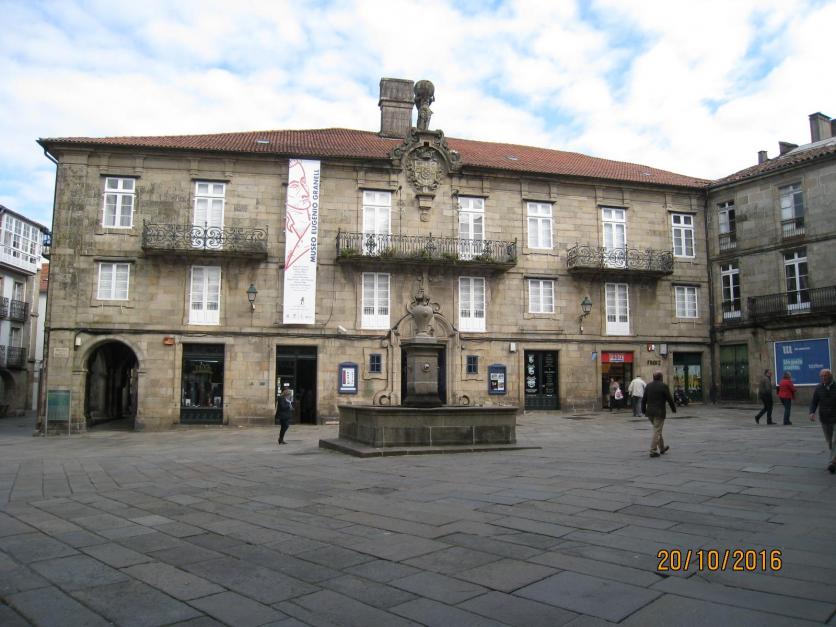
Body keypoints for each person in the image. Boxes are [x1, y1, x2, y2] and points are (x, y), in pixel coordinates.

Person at [642, 371, 676, 458]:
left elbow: (644, 399)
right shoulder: (663, 386)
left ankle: (662, 448)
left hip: (650, 412)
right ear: (661, 377)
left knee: (657, 430)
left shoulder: (648, 385)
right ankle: (653, 450)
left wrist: (643, 410)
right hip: (659, 412)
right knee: (657, 430)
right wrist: (673, 409)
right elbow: (669, 398)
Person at [808, 368, 836, 474]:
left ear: (830, 376)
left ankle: (832, 463)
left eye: (825, 375)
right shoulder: (819, 388)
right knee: (829, 442)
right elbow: (814, 402)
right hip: (825, 419)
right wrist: (812, 412)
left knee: (835, 441)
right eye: (822, 376)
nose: (823, 378)